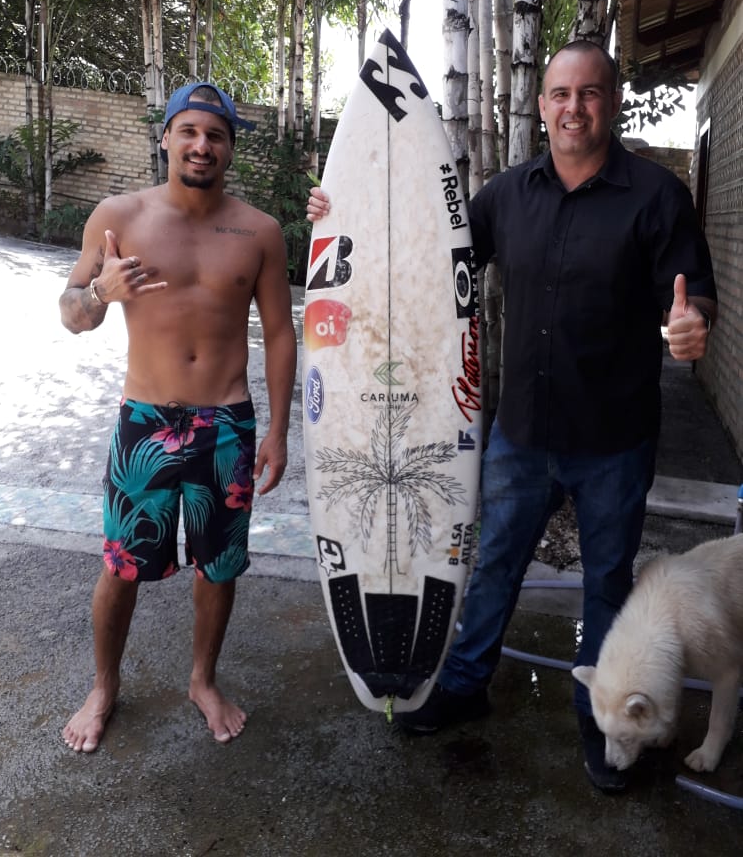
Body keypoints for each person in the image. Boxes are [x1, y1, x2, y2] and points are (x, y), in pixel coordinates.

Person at [306, 40, 717, 792]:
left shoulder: (656, 197)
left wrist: (690, 328)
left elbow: (688, 301)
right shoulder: (504, 194)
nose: (573, 107)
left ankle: (603, 717)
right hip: (520, 432)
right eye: (561, 94)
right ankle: (463, 685)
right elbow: (430, 254)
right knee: (490, 563)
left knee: (605, 583)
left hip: (612, 438)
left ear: (611, 102)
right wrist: (345, 215)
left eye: (589, 94)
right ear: (542, 105)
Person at [60, 82, 297, 753]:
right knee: (122, 566)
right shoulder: (120, 215)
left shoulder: (259, 231)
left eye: (215, 135)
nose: (201, 144)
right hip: (146, 423)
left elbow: (281, 334)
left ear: (229, 149)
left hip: (227, 424)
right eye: (188, 131)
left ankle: (203, 680)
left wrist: (277, 431)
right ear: (165, 137)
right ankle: (104, 685)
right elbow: (71, 312)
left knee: (219, 566)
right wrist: (102, 292)